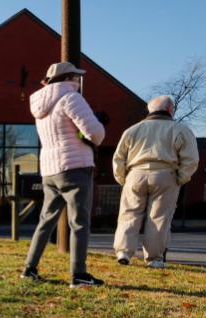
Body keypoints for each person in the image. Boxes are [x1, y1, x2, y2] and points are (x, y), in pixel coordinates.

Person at [20, 62, 105, 288]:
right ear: (68, 77)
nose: (78, 81)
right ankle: (79, 275)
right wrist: (98, 128)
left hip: (49, 169)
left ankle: (29, 268)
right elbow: (95, 133)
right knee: (79, 222)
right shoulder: (71, 98)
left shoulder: (40, 104)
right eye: (76, 77)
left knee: (45, 221)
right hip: (75, 167)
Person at [112, 96, 199, 269]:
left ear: (150, 110)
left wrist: (123, 178)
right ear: (170, 109)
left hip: (135, 174)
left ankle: (123, 252)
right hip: (166, 174)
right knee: (158, 218)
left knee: (129, 214)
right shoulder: (180, 129)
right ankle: (154, 258)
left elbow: (119, 157)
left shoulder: (133, 129)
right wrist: (180, 178)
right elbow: (191, 159)